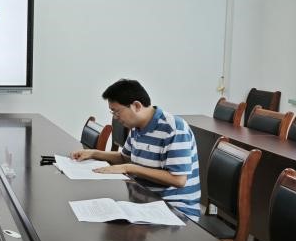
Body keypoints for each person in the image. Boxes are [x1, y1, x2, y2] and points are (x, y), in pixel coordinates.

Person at [70, 79, 201, 219]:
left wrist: (130, 168)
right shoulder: (136, 127)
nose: (115, 117)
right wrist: (93, 153)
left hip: (175, 210)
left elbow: (178, 180)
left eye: (117, 112)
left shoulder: (174, 128)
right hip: (144, 202)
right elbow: (124, 158)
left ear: (137, 106)